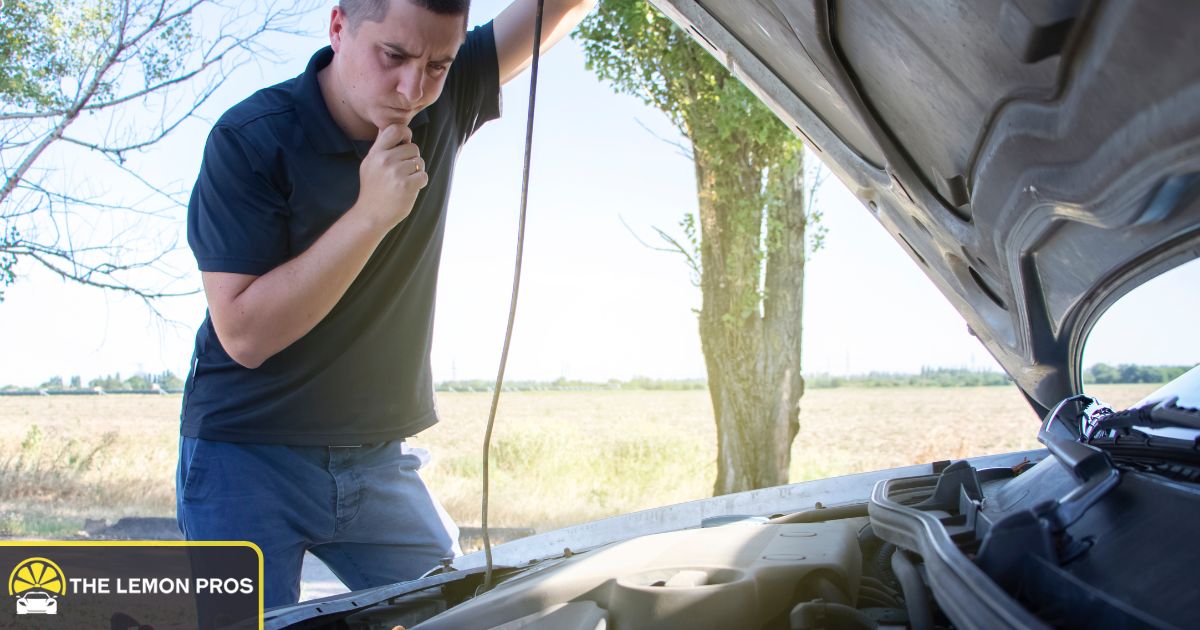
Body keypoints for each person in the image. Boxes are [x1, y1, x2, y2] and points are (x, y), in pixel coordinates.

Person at [175, 0, 595, 609]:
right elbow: (243, 334)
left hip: (377, 458)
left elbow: (554, 8)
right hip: (245, 455)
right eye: (392, 56)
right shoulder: (250, 140)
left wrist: (439, 71)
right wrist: (371, 215)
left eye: (438, 65)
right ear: (339, 26)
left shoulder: (441, 93)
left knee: (469, 616)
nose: (413, 88)